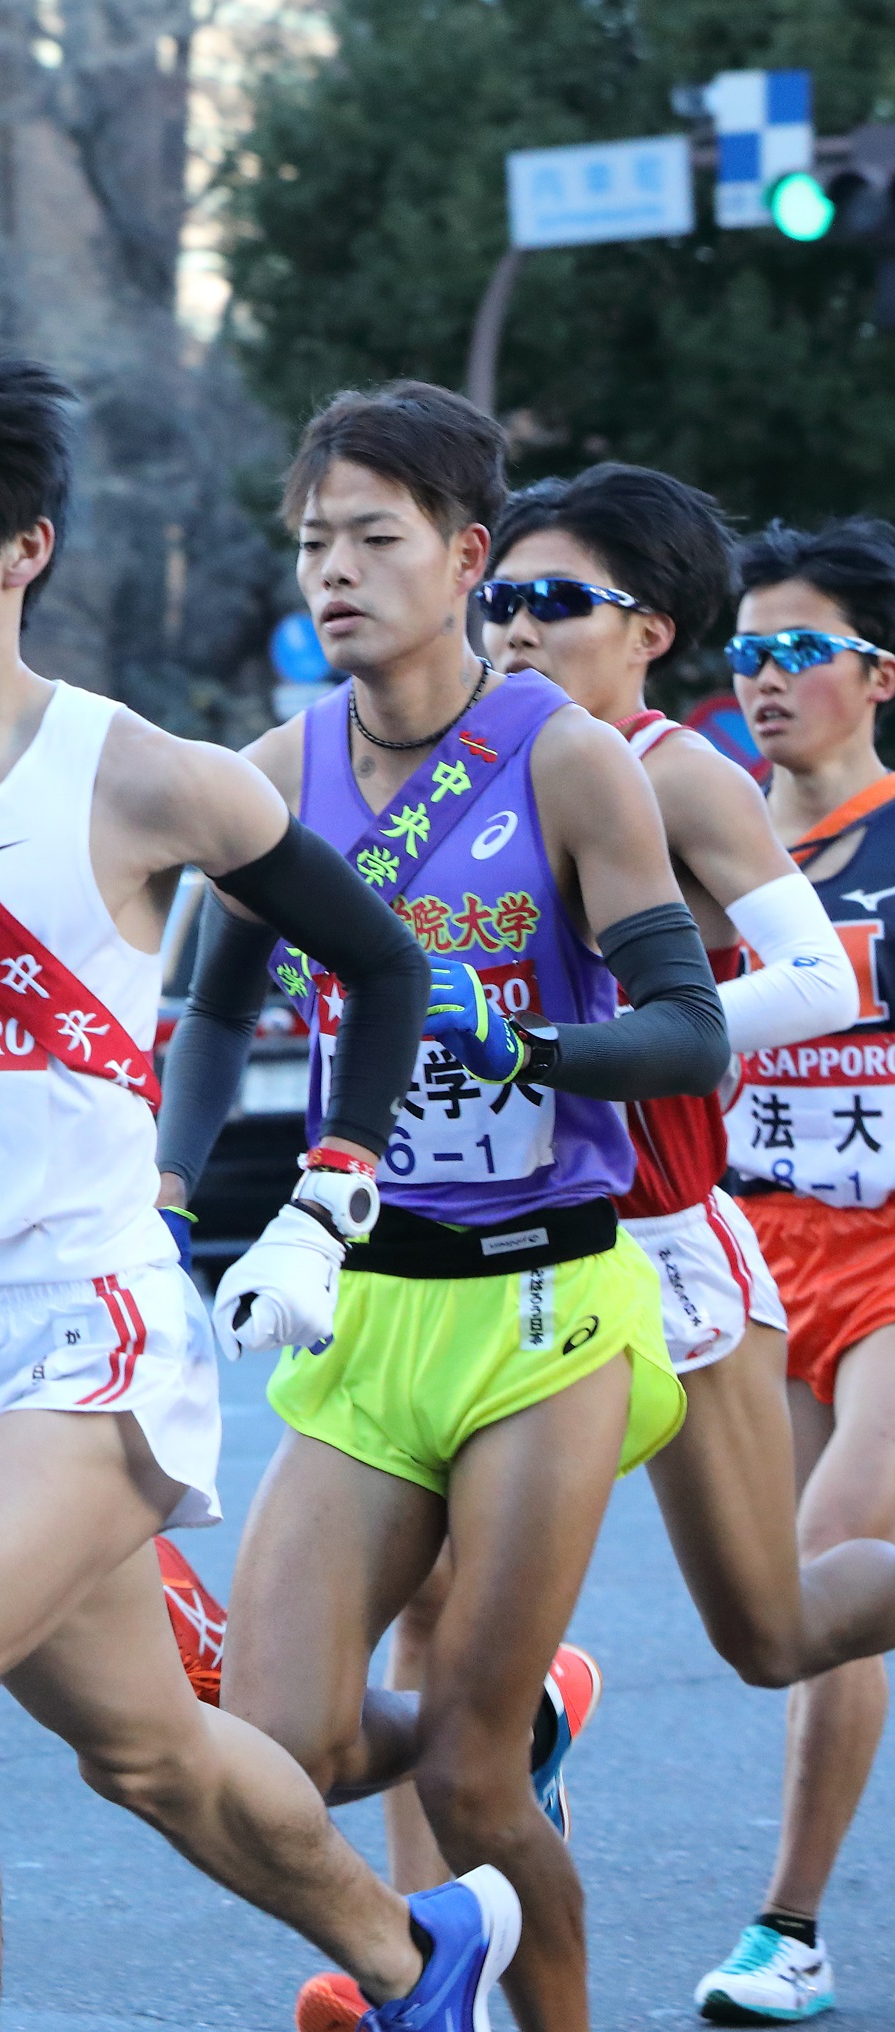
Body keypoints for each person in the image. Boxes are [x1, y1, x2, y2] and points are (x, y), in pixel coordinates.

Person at [0, 337, 515, 2032]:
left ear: (19, 550)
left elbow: (382, 969)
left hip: (84, 1327)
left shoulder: (140, 773)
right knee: (148, 1752)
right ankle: (412, 1957)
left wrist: (327, 1191)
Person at [161, 384, 727, 2032]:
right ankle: (506, 1729)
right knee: (275, 1756)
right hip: (367, 1303)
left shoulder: (567, 763)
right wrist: (163, 1193)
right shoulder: (273, 770)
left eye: (371, 538)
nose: (329, 570)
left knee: (472, 1783)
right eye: (311, 541)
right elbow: (208, 1015)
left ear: (466, 555)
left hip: (545, 1303)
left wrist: (529, 1040)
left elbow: (684, 1028)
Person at [327, 469, 895, 2023]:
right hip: (499, 1255)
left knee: (770, 1629)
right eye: (497, 596)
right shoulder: (440, 770)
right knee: (440, 1636)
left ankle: (558, 1772)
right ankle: (421, 1952)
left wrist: (595, 1042)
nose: (512, 625)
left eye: (553, 603)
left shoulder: (670, 774)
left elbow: (818, 984)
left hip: (662, 1242)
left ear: (647, 631)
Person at [688, 516, 895, 2024]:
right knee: (771, 1609)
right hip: (756, 1242)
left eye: (798, 653)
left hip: (893, 1250)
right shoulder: (712, 834)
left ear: (878, 676)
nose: (762, 679)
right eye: (746, 653)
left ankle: (788, 1927)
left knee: (830, 1557)